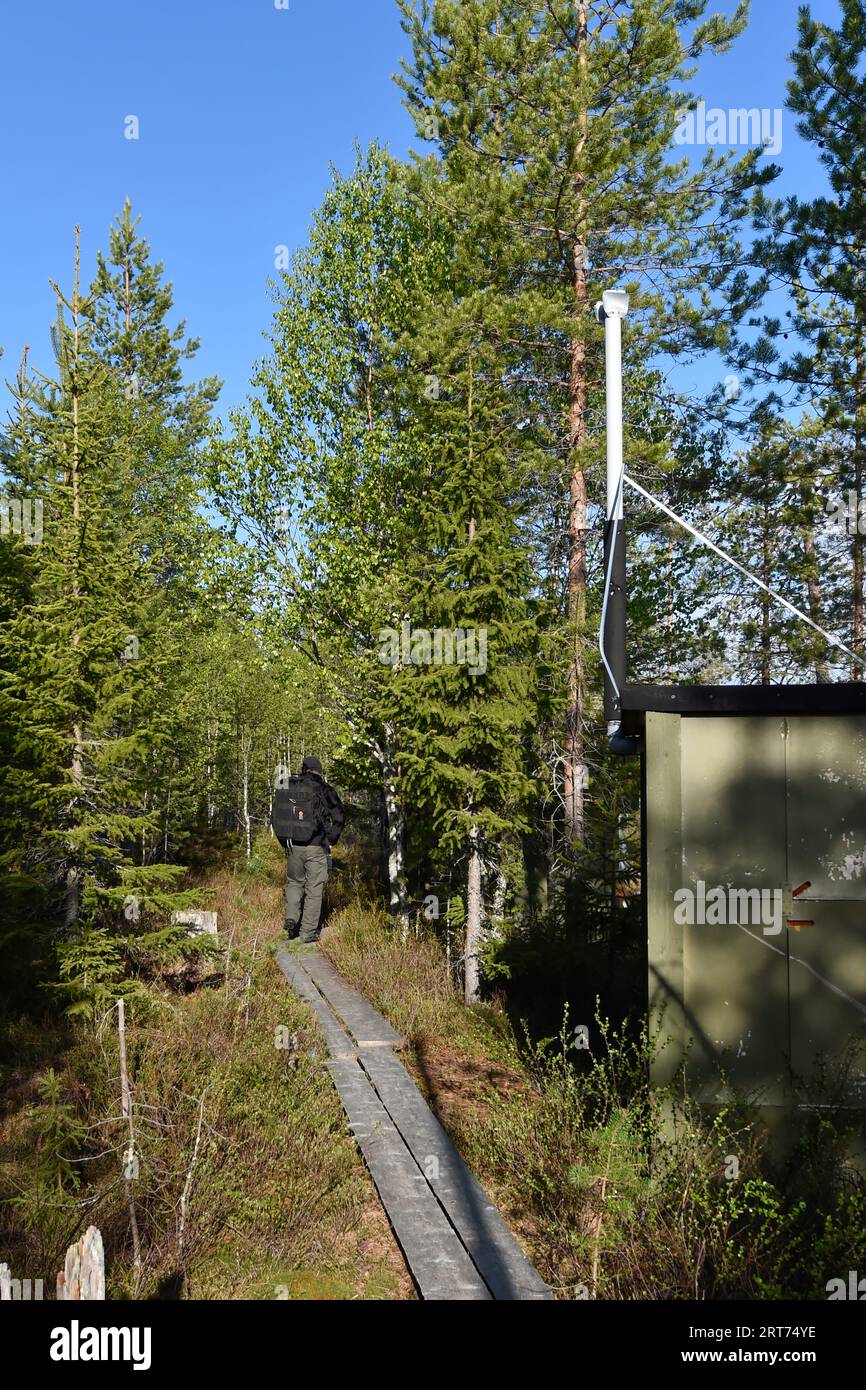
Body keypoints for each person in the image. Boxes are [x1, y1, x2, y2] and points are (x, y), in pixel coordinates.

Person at [280, 755, 344, 943]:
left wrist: (285, 842)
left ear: (303, 768)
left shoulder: (289, 786)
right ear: (319, 769)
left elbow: (278, 817)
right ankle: (307, 932)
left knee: (294, 882)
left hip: (293, 847)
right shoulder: (324, 789)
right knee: (314, 888)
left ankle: (291, 919)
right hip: (316, 846)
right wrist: (332, 838)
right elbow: (339, 816)